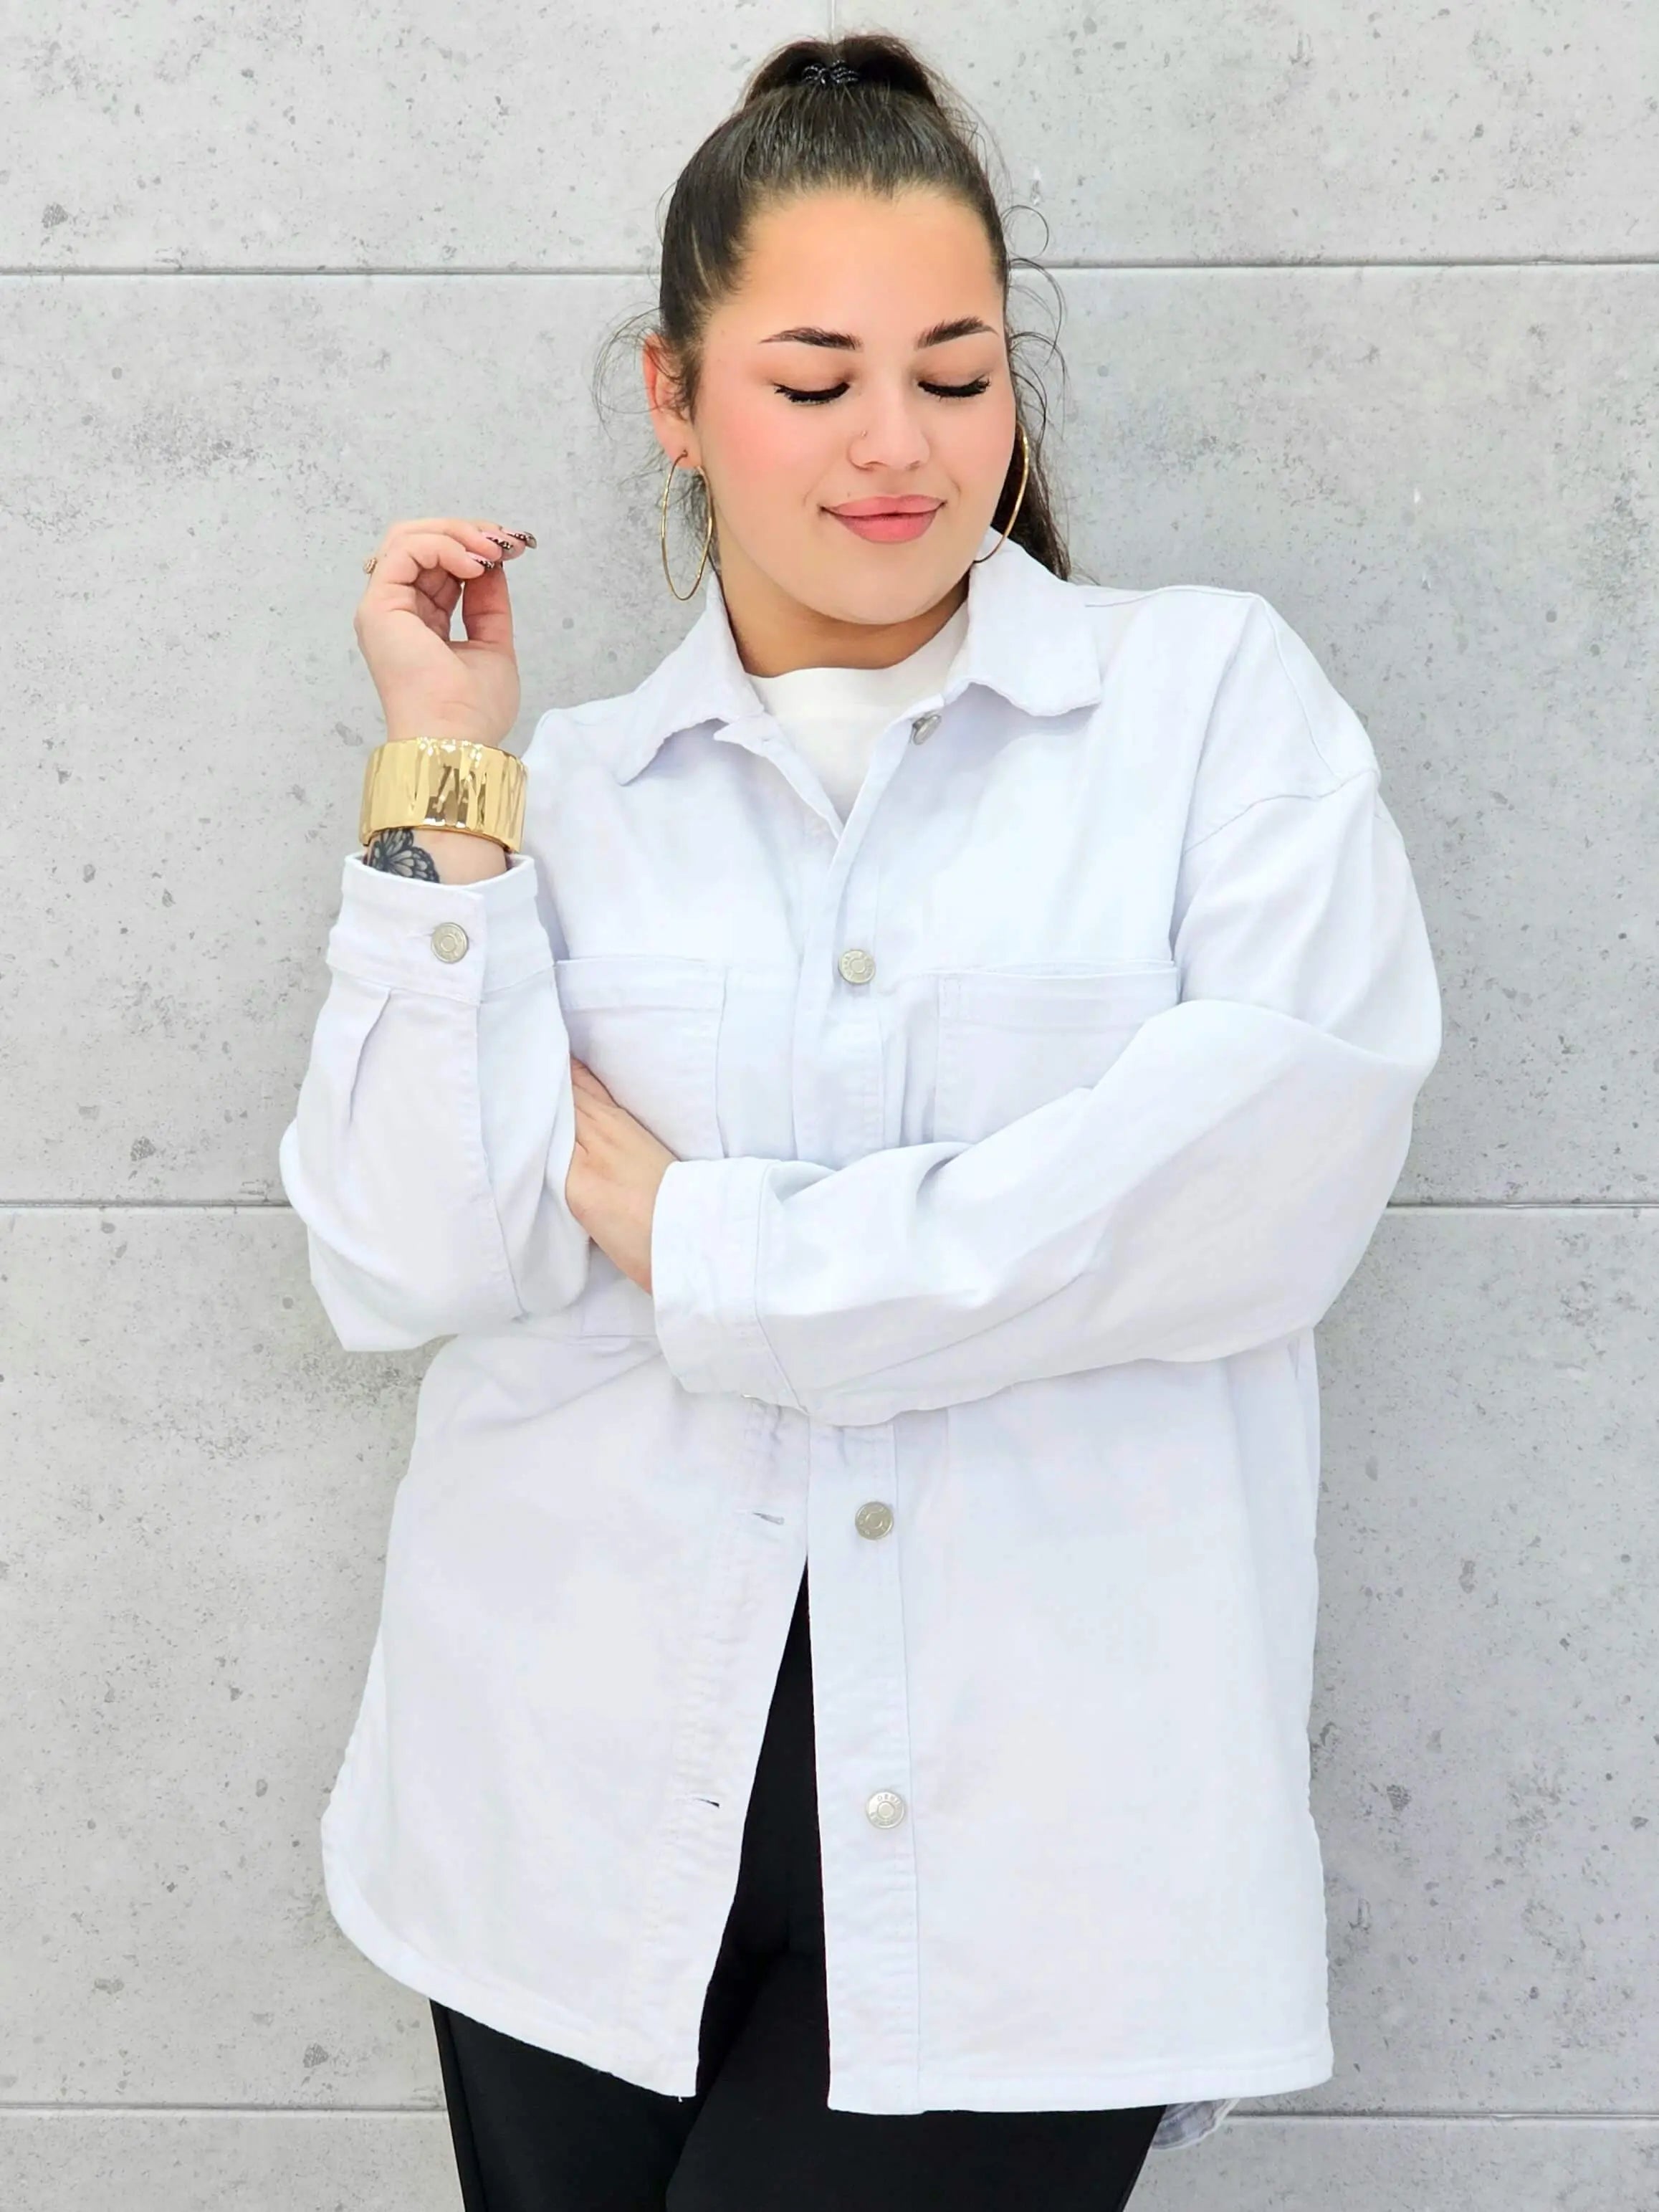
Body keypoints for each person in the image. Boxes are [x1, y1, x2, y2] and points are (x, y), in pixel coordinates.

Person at [278, 31, 1443, 2212]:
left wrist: (701, 1238)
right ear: (672, 395)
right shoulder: (570, 791)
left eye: (957, 372)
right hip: (564, 1814)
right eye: (813, 382)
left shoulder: (1206, 710)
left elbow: (1251, 1187)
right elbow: (411, 1255)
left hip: (1041, 1845)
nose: (899, 445)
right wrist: (446, 773)